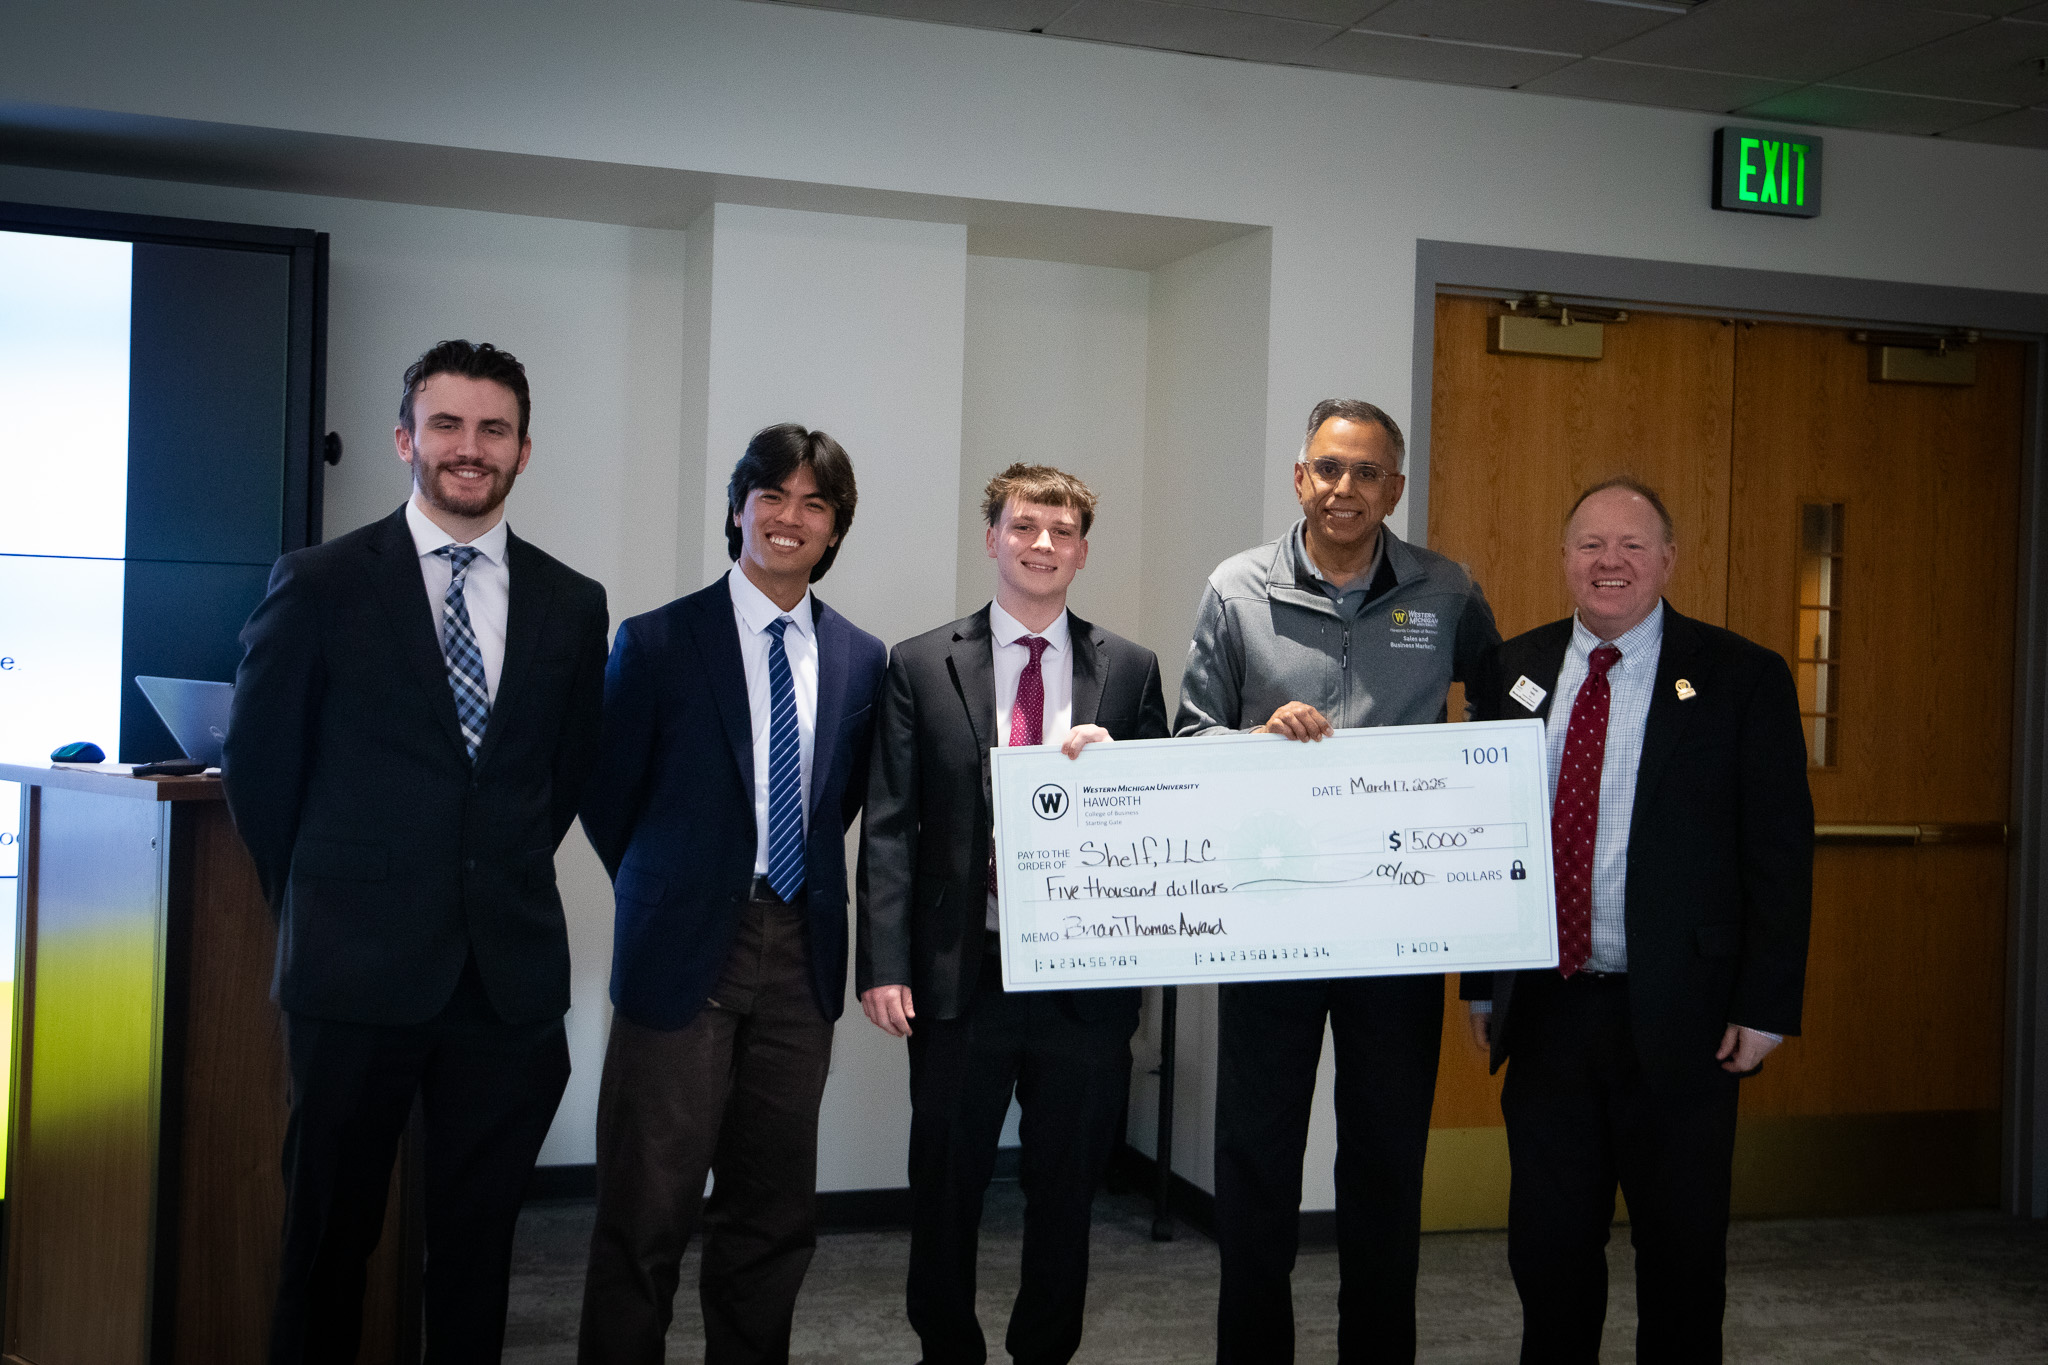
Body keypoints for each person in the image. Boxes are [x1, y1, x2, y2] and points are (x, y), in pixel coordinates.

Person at [224, 340, 609, 1364]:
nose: (467, 448)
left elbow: (560, 779)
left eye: (492, 429)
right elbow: (263, 780)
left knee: (480, 1253)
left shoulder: (574, 604)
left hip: (506, 983)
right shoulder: (316, 585)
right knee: (327, 1244)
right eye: (446, 425)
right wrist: (324, 909)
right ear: (406, 439)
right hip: (353, 978)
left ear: (524, 450)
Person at [1176, 398, 1500, 1363]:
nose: (1344, 488)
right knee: (1256, 1162)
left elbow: (1497, 723)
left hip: (1398, 927)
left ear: (1394, 487)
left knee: (1386, 1163)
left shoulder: (1447, 589)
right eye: (1327, 468)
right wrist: (1255, 737)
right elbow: (1190, 741)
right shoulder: (1236, 588)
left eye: (1366, 473)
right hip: (1271, 922)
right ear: (1299, 478)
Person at [1462, 477, 1812, 1363]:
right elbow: (1479, 833)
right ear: (1564, 558)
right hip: (1548, 1009)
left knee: (1683, 1258)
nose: (1608, 562)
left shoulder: (1741, 676)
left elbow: (1779, 853)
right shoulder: (1513, 670)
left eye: (1630, 545)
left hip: (1685, 1014)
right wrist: (1480, 981)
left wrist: (1767, 1002)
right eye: (1590, 545)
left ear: (1667, 559)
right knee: (1548, 1253)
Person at [576, 424, 886, 1365]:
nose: (790, 517)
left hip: (800, 951)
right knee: (647, 1207)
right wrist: (677, 887)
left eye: (815, 504)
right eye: (773, 495)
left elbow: (842, 801)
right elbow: (606, 796)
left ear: (834, 531)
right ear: (738, 507)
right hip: (681, 953)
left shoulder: (861, 657)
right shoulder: (659, 640)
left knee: (773, 1211)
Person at [858, 464, 1168, 1365]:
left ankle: (1046, 1351)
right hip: (963, 972)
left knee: (1066, 1189)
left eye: (1062, 530)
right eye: (1024, 526)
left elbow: (1161, 812)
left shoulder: (1131, 669)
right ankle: (946, 1349)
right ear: (991, 537)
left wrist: (1121, 769)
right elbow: (888, 824)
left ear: (1082, 550)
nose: (1042, 545)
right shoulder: (919, 663)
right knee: (946, 1184)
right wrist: (884, 961)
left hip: (1086, 977)